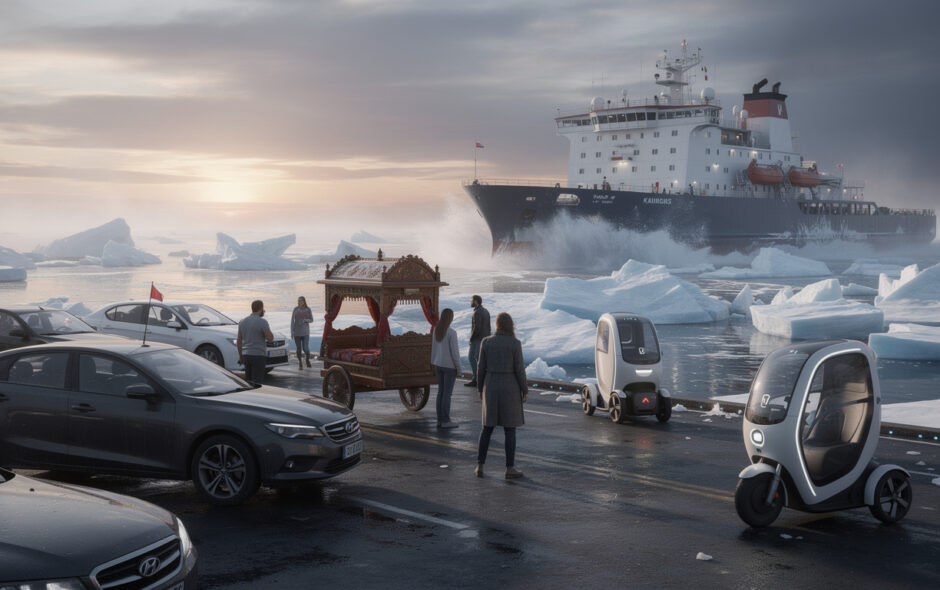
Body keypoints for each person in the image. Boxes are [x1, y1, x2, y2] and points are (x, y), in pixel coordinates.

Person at [475, 312, 527, 479]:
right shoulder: (514, 344)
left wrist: (479, 388)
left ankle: (480, 466)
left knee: (487, 429)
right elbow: (519, 369)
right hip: (510, 387)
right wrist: (524, 390)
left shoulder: (486, 342)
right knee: (509, 430)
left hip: (490, 385)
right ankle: (509, 468)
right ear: (510, 325)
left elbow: (480, 367)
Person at [430, 308, 460, 429]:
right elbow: (455, 353)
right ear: (451, 318)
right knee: (447, 394)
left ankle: (439, 420)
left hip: (438, 364)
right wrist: (459, 369)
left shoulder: (437, 330)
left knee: (441, 392)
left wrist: (433, 362)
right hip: (449, 366)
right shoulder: (451, 332)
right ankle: (446, 420)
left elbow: (434, 349)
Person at [237, 299, 274, 385]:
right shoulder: (262, 322)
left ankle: (248, 397)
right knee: (257, 383)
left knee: (248, 382)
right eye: (263, 309)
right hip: (258, 355)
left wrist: (240, 356)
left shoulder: (242, 322)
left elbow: (239, 340)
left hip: (246, 355)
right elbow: (270, 338)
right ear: (261, 308)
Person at [464, 295, 490, 387]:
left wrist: (471, 338)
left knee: (472, 357)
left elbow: (477, 327)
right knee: (480, 359)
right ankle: (481, 378)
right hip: (485, 338)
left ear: (476, 301)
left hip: (477, 339)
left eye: (472, 300)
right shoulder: (486, 311)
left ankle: (476, 379)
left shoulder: (477, 312)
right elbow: (488, 327)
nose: (470, 302)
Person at [291, 296, 314, 369]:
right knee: (299, 349)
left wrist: (305, 320)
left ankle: (307, 359)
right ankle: (300, 363)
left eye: (301, 300)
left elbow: (311, 320)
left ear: (304, 301)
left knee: (305, 348)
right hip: (297, 332)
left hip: (305, 333)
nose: (300, 302)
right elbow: (292, 321)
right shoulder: (295, 309)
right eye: (299, 301)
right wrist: (292, 331)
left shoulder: (308, 309)